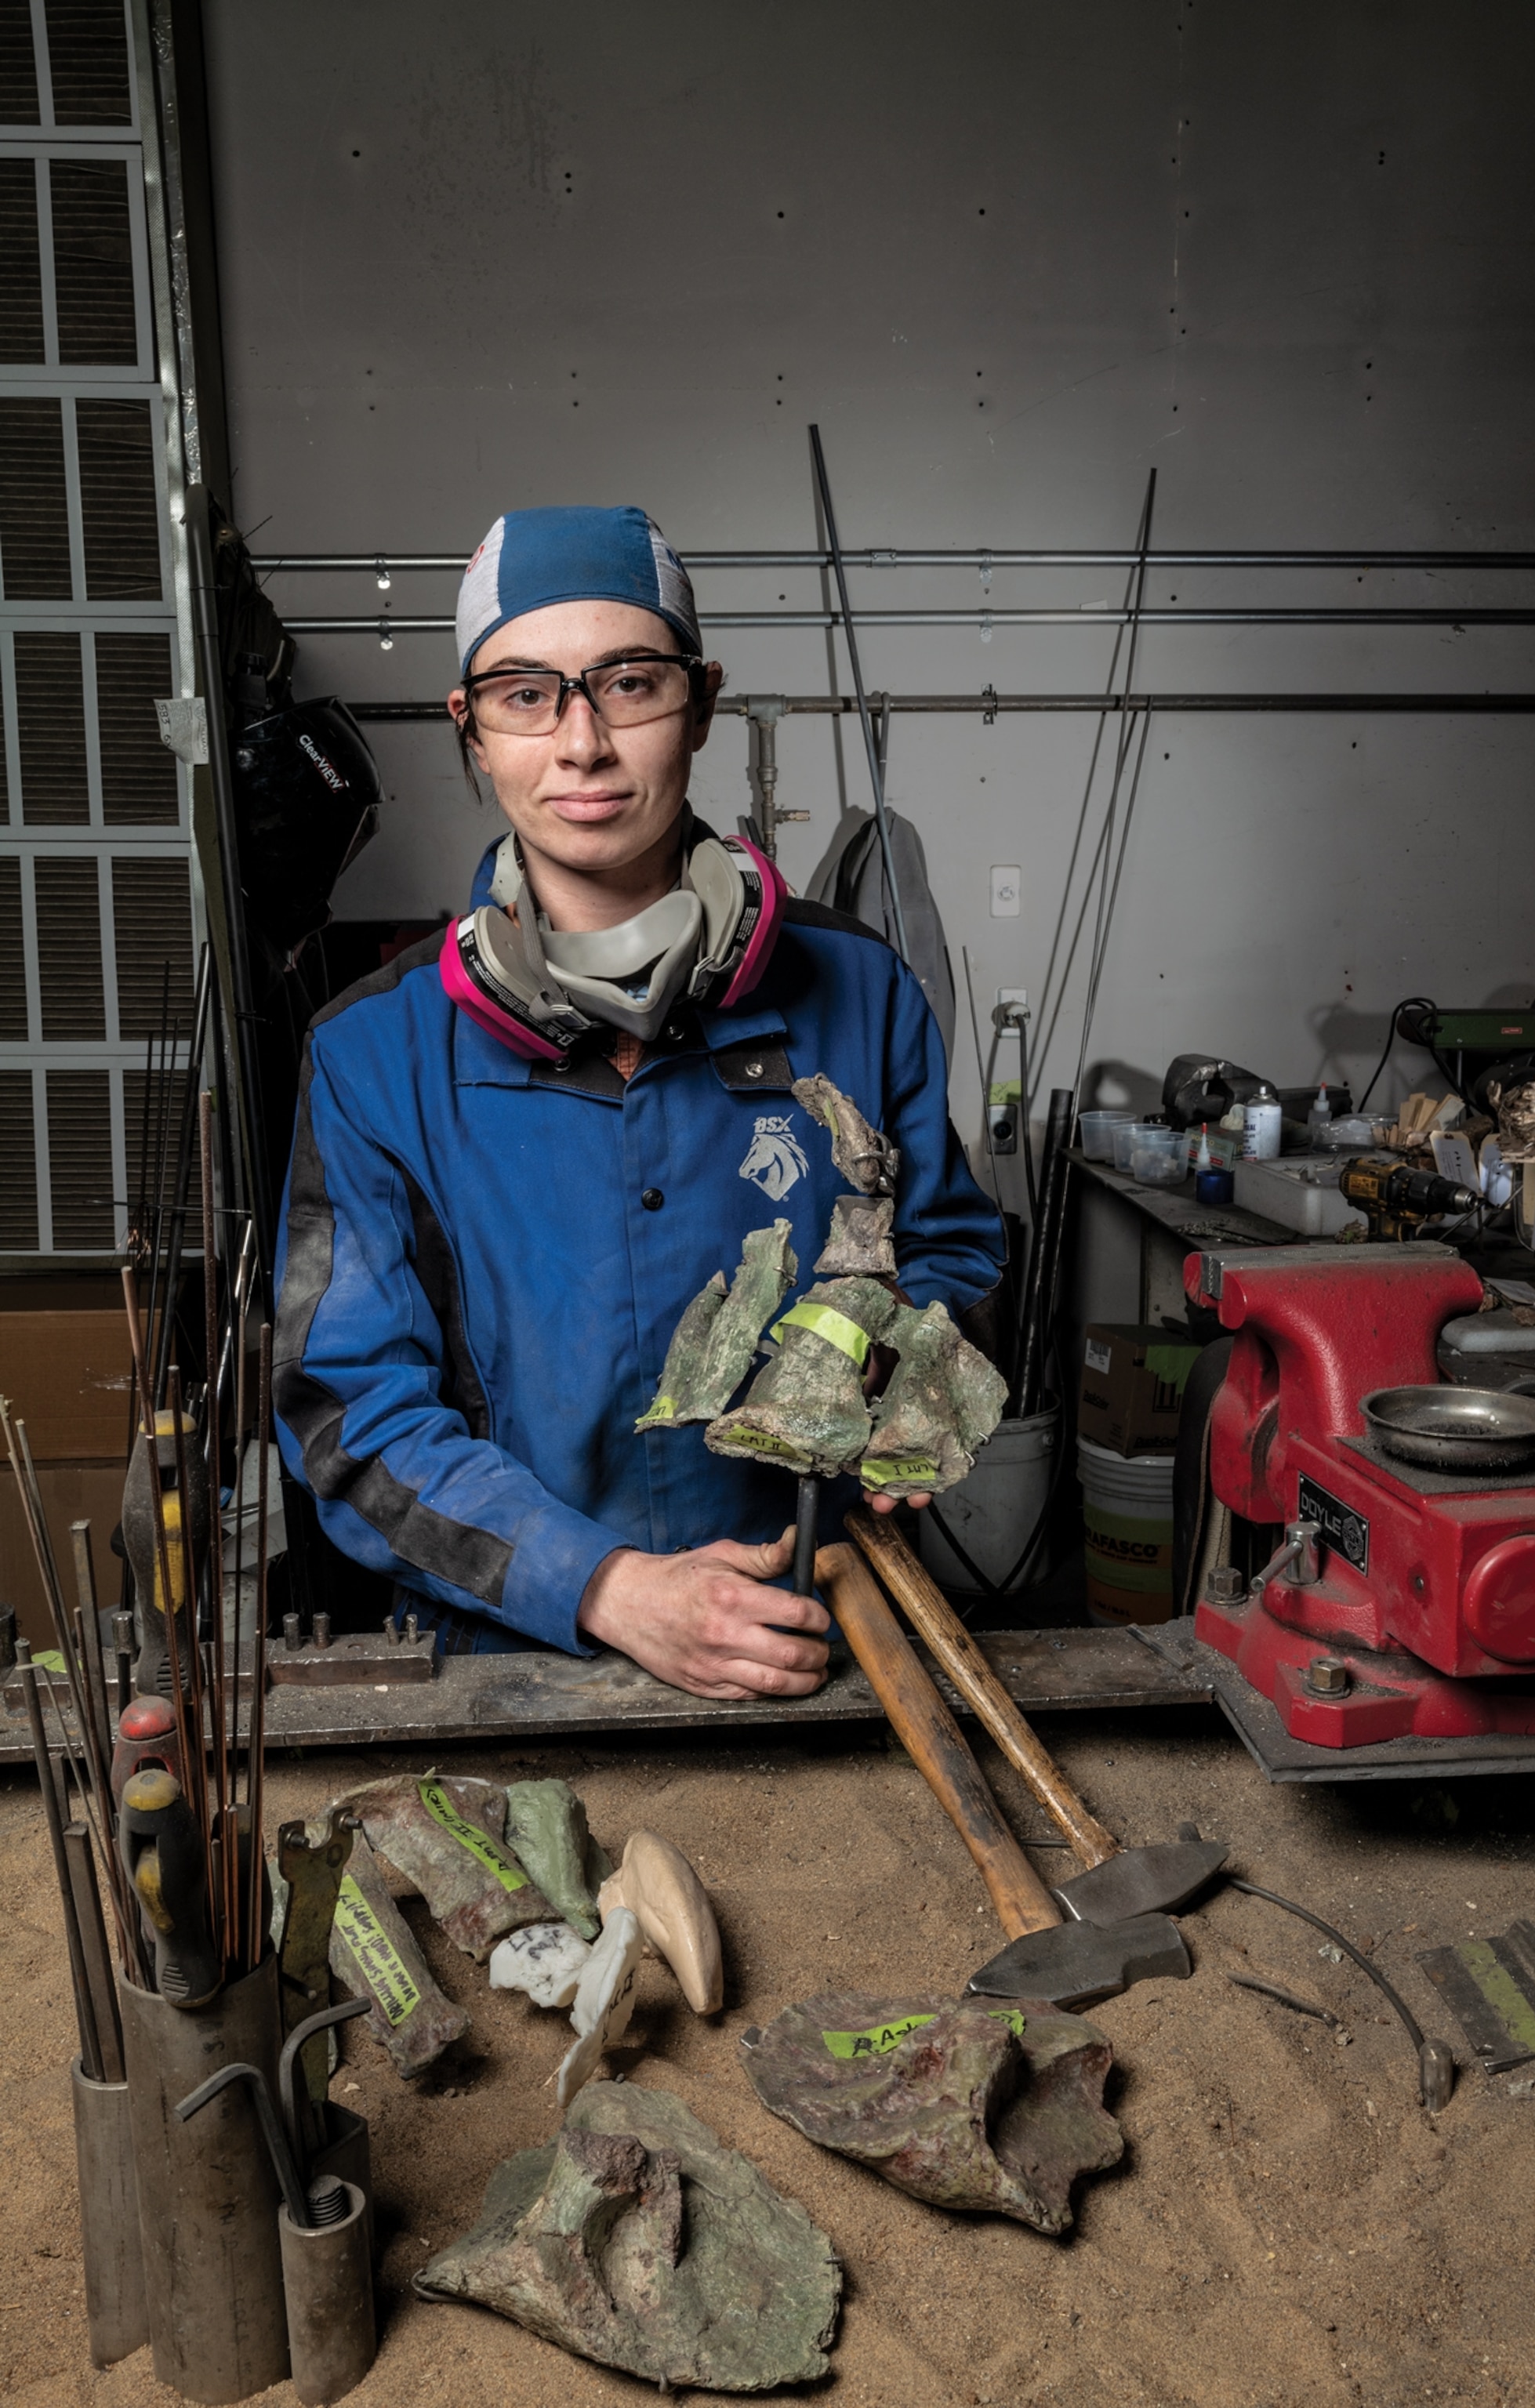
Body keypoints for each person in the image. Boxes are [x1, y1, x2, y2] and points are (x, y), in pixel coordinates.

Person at [274, 506, 1005, 1700]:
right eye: (524, 695)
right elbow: (353, 1413)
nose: (582, 745)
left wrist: (913, 1362)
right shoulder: (371, 1053)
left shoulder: (858, 991)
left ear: (702, 703)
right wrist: (598, 1584)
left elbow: (957, 1254)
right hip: (518, 1670)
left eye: (629, 684)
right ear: (472, 732)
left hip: (825, 1642)